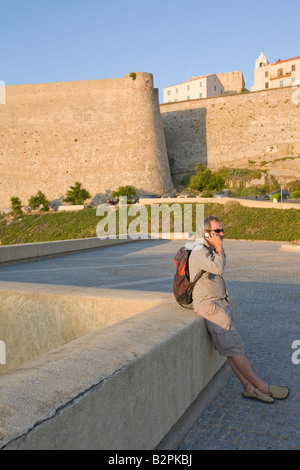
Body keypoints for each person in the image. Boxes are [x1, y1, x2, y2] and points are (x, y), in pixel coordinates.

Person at [188, 215, 289, 403]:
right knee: (237, 349)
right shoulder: (199, 251)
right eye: (217, 231)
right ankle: (262, 387)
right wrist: (219, 247)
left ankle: (249, 388)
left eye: (222, 230)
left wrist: (216, 247)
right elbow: (218, 268)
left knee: (231, 351)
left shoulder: (206, 249)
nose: (221, 234)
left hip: (218, 304)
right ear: (206, 233)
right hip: (211, 308)